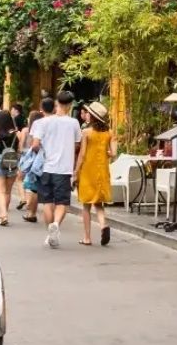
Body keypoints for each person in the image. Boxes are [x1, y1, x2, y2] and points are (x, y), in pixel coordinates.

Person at [29, 91, 82, 249]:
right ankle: (56, 224)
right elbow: (77, 144)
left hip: (46, 168)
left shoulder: (43, 122)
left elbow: (35, 144)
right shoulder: (74, 123)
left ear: (56, 103)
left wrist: (44, 150)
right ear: (70, 105)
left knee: (47, 202)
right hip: (64, 170)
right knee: (62, 202)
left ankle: (49, 232)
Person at [75, 101, 115, 247]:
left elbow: (82, 154)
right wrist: (106, 153)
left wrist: (76, 171)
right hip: (102, 170)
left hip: (88, 171)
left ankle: (87, 238)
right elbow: (113, 153)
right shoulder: (109, 132)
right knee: (98, 202)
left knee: (86, 205)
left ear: (92, 117)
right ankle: (104, 225)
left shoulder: (86, 132)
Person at [17, 103, 48, 224]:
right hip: (42, 159)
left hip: (29, 158)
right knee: (33, 184)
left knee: (28, 183)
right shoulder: (45, 128)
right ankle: (31, 211)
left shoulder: (27, 130)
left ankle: (27, 205)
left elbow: (29, 145)